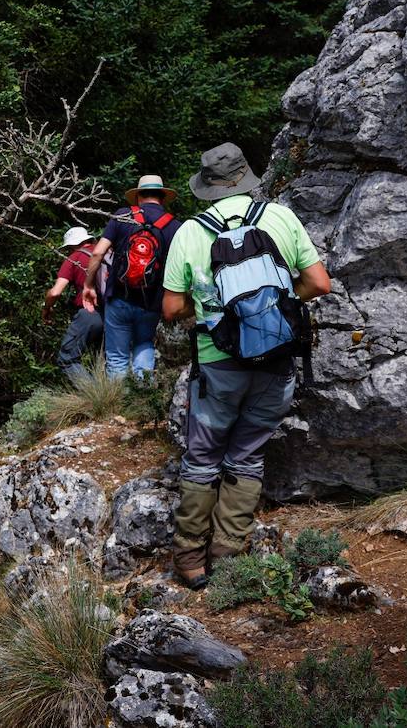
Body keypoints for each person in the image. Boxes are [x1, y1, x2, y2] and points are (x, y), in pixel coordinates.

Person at [161, 142, 332, 589]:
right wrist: (271, 312)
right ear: (245, 177)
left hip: (219, 363)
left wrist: (211, 315)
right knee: (247, 455)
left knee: (202, 457)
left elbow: (171, 307)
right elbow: (319, 283)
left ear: (209, 187)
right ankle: (230, 554)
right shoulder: (279, 217)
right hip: (277, 358)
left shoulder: (189, 232)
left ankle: (190, 560)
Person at [81, 175, 179, 379]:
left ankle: (118, 406)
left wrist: (88, 285)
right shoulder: (174, 226)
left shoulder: (123, 215)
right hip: (151, 302)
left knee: (117, 356)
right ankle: (142, 401)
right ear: (162, 197)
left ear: (138, 197)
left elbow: (98, 253)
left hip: (119, 297)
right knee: (144, 344)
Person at [43, 226, 103, 381]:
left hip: (89, 314)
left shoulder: (74, 258)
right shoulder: (106, 252)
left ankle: (95, 399)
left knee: (67, 359)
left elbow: (55, 292)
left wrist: (47, 308)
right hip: (114, 313)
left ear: (71, 245)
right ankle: (116, 400)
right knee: (105, 360)